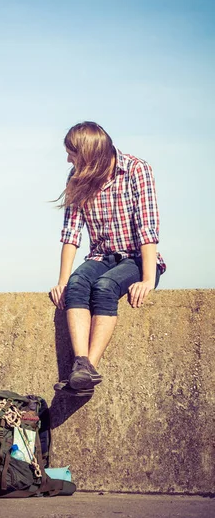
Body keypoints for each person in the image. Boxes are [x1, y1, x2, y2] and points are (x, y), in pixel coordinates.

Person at [50, 122, 166, 396]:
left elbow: (147, 227)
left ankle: (90, 366)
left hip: (136, 259)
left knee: (104, 287)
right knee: (78, 283)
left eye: (72, 153)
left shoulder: (137, 169)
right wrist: (62, 281)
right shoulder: (76, 176)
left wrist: (148, 279)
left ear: (89, 153)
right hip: (101, 256)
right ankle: (81, 366)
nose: (68, 159)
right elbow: (71, 233)